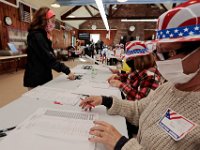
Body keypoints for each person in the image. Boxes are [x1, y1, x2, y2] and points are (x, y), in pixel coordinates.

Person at [80, 1, 200, 149]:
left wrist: (122, 145)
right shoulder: (168, 87)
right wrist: (105, 100)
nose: (159, 61)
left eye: (170, 53)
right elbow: (139, 110)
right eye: (158, 53)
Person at [24, 7, 75, 90]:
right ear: (43, 20)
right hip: (36, 78)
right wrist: (67, 70)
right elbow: (49, 58)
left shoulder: (42, 35)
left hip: (42, 75)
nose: (53, 25)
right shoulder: (37, 36)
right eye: (52, 21)